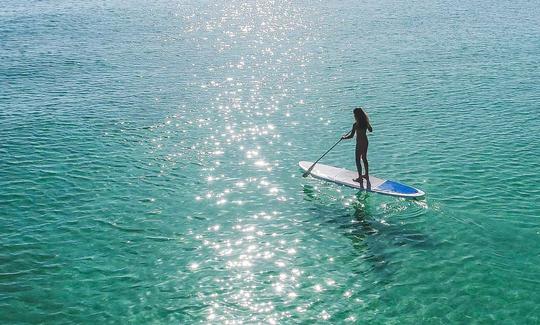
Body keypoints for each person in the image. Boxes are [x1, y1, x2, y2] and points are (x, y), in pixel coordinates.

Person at [341, 107, 373, 182]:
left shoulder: (355, 125)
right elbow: (371, 130)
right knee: (364, 158)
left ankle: (360, 178)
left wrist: (344, 137)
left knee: (358, 160)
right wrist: (368, 124)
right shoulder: (366, 122)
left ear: (356, 115)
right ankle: (366, 175)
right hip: (365, 142)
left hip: (359, 143)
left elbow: (351, 136)